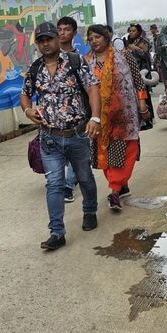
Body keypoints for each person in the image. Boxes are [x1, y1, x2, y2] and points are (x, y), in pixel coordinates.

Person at [20, 22, 101, 251]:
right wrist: (28, 110)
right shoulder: (35, 68)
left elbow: (93, 88)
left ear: (58, 39)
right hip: (49, 138)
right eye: (41, 41)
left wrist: (95, 118)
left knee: (84, 177)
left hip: (77, 134)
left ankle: (90, 210)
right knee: (54, 184)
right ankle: (57, 232)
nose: (45, 44)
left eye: (49, 39)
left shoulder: (75, 62)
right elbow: (25, 95)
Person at [85, 25, 150, 212]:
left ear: (106, 38)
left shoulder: (124, 56)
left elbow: (137, 80)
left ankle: (114, 191)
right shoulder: (86, 62)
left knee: (125, 153)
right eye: (91, 38)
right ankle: (121, 185)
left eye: (98, 36)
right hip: (99, 118)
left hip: (124, 116)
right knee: (105, 155)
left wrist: (142, 104)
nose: (94, 41)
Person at [57, 16, 94, 204]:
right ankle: (63, 183)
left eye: (66, 29)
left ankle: (69, 186)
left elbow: (91, 87)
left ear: (74, 33)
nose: (62, 33)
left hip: (78, 116)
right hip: (55, 119)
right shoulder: (47, 59)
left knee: (76, 155)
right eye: (60, 29)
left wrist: (94, 116)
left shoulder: (78, 59)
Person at [124, 23, 155, 130]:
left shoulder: (144, 41)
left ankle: (149, 119)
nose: (131, 33)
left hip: (143, 71)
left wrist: (135, 49)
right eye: (130, 31)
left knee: (145, 95)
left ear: (138, 32)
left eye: (134, 31)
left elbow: (146, 56)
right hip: (131, 72)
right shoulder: (128, 42)